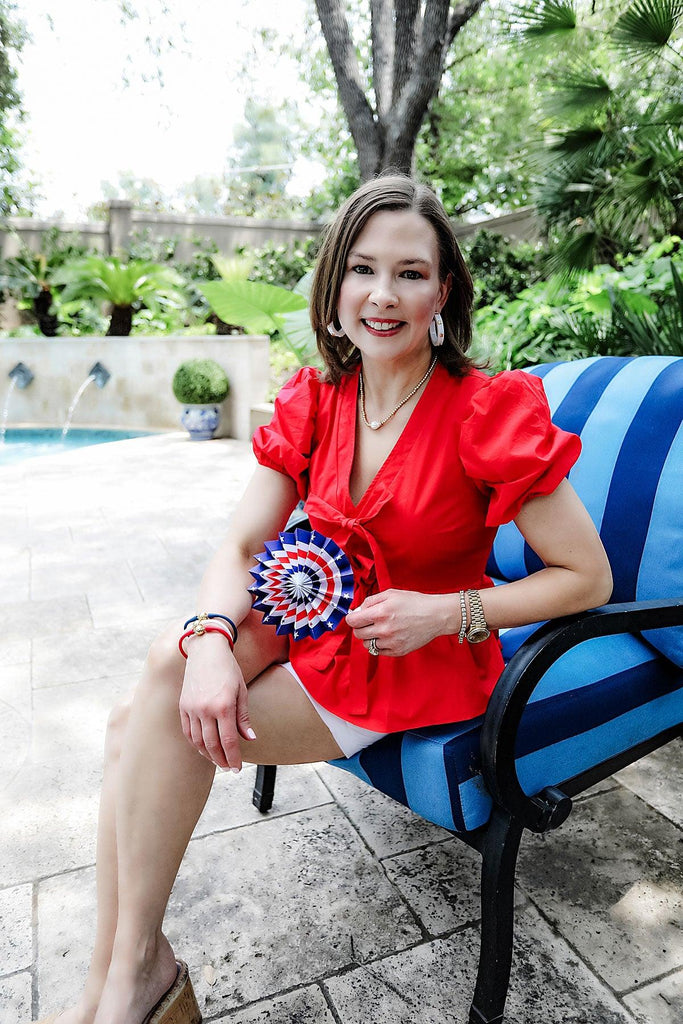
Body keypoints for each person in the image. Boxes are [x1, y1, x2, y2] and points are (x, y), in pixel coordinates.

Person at [34, 175, 612, 1024]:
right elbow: (240, 545)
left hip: (404, 653)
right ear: (334, 284)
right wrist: (205, 646)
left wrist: (445, 610)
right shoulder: (317, 398)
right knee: (167, 675)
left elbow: (586, 578)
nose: (383, 296)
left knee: (145, 723)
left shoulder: (484, 411)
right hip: (307, 621)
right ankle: (126, 973)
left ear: (442, 291)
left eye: (411, 273)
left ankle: (126, 982)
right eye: (363, 269)